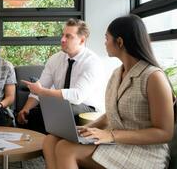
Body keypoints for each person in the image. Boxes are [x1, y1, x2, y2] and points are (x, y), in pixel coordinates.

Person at [42, 14, 175, 169]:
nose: (104, 43)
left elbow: (164, 133)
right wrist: (89, 127)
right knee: (51, 140)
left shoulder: (153, 77)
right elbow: (110, 114)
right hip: (118, 142)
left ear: (119, 42)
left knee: (66, 149)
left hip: (144, 152)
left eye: (106, 38)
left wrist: (111, 135)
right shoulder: (117, 73)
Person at [19, 19, 104, 134]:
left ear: (82, 40)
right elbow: (40, 86)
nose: (62, 39)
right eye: (63, 35)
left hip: (86, 106)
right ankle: (40, 148)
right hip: (61, 104)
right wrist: (26, 108)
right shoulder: (55, 59)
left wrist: (42, 91)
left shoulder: (92, 62)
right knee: (33, 114)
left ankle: (55, 146)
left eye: (69, 36)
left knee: (59, 112)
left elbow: (77, 96)